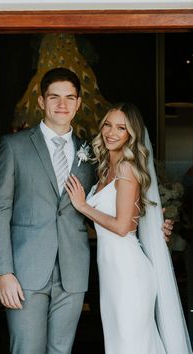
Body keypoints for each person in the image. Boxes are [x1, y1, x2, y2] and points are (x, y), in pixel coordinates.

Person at [0, 69, 173, 354]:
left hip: (74, 274)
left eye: (69, 98)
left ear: (78, 104)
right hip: (25, 273)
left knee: (62, 350)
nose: (62, 105)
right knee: (26, 349)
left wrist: (157, 224)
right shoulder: (14, 146)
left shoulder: (93, 153)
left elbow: (123, 198)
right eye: (54, 97)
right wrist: (4, 272)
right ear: (41, 101)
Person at [65, 102, 192, 354]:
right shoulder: (105, 169)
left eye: (121, 128)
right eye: (108, 125)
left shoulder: (126, 168)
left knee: (130, 346)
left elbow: (122, 227)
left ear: (131, 134)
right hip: (112, 273)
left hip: (129, 275)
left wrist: (83, 206)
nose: (111, 132)